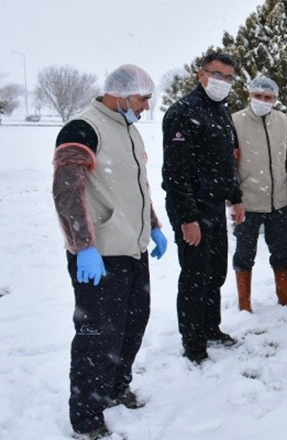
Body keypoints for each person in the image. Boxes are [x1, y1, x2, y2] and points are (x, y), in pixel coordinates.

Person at [52, 64, 167, 439]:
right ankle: (86, 418)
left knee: (134, 324)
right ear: (119, 94)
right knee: (97, 336)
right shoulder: (83, 128)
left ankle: (116, 387)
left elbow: (138, 187)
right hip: (100, 256)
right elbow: (67, 191)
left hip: (133, 249)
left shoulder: (130, 131)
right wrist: (83, 247)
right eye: (142, 99)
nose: (146, 107)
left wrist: (152, 225)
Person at [162, 51, 244, 364]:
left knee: (216, 272)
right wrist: (187, 218)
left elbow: (227, 163)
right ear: (201, 74)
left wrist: (235, 197)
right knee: (195, 276)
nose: (222, 81)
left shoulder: (222, 112)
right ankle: (193, 343)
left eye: (228, 77)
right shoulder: (182, 113)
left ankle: (211, 327)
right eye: (216, 74)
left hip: (214, 206)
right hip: (191, 207)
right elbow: (175, 172)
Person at [231, 75, 287, 312]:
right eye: (258, 96)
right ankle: (244, 304)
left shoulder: (282, 120)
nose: (263, 100)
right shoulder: (235, 121)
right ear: (250, 95)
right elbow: (229, 164)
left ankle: (286, 299)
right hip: (248, 201)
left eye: (268, 97)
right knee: (244, 254)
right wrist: (233, 199)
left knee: (282, 252)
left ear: (275, 99)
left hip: (278, 200)